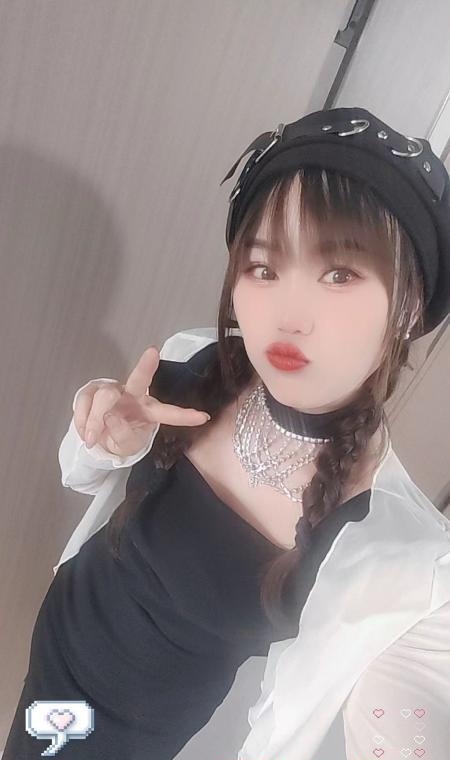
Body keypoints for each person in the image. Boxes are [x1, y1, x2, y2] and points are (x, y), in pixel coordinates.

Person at [3, 106, 450, 760]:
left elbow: (413, 709)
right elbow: (81, 473)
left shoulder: (392, 546)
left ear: (409, 306)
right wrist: (106, 438)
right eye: (264, 268)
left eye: (339, 274)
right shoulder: (197, 359)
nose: (288, 315)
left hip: (135, 731)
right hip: (62, 638)